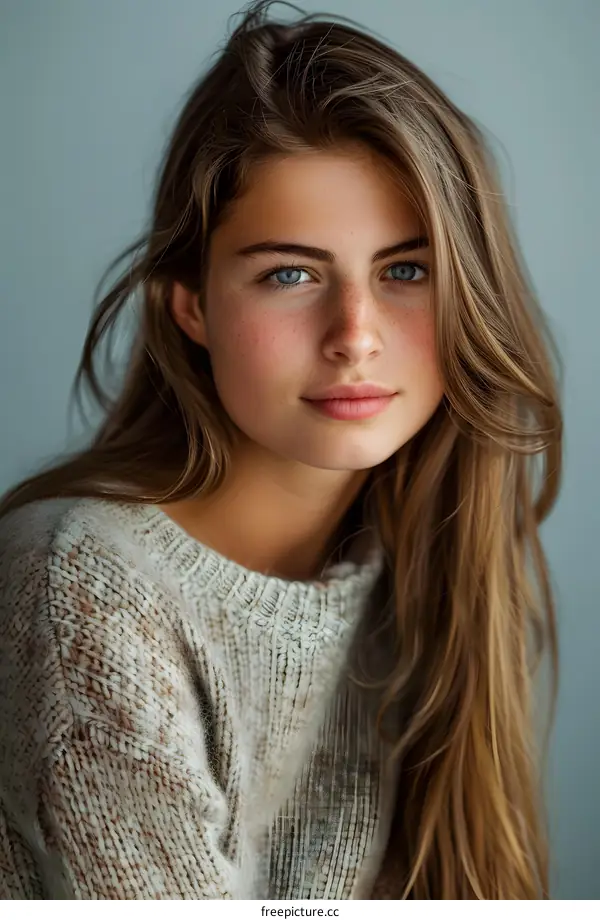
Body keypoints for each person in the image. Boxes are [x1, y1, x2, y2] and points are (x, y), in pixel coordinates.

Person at [0, 0, 562, 901]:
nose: (356, 335)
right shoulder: (81, 589)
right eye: (289, 274)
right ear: (188, 304)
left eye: (406, 270)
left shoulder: (423, 570)